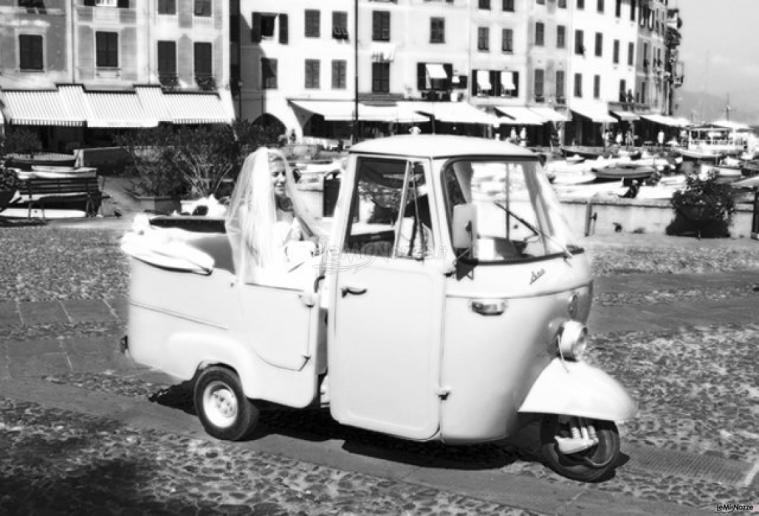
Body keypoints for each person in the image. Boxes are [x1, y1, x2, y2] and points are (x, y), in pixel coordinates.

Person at [225, 148, 323, 285]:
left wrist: (305, 248)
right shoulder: (246, 211)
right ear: (262, 178)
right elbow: (252, 258)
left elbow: (313, 238)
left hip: (300, 272)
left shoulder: (289, 205)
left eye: (284, 173)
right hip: (268, 282)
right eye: (275, 174)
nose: (282, 179)